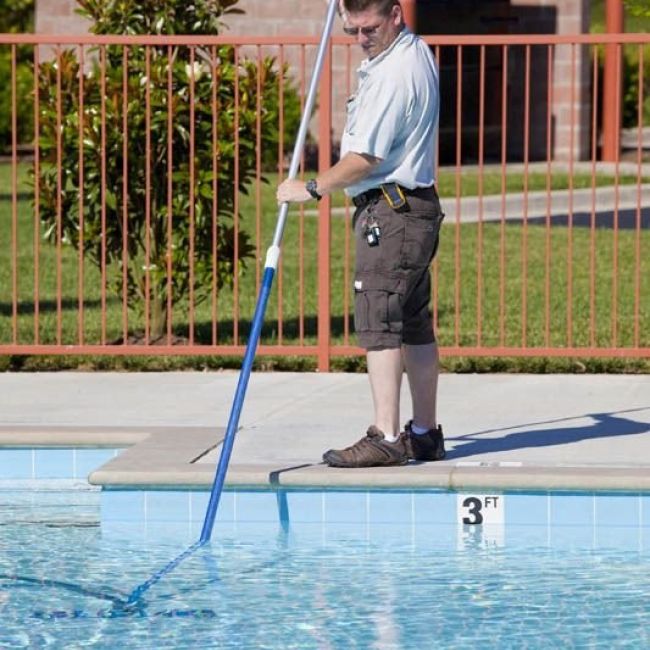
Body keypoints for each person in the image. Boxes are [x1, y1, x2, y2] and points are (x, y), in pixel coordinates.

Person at [276, 0, 445, 467]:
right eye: (353, 30)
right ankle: (425, 433)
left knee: (379, 323)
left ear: (395, 13)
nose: (361, 38)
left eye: (370, 28)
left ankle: (387, 436)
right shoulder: (411, 52)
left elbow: (364, 159)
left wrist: (310, 188)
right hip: (413, 209)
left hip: (390, 213)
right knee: (412, 323)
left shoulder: (395, 74)